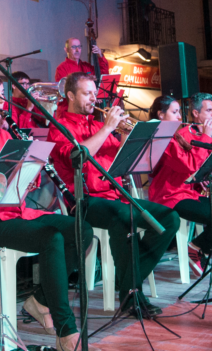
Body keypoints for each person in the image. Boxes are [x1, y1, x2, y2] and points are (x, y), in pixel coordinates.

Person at [0, 71, 92, 351]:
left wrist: (31, 168)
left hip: (13, 216)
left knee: (81, 230)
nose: (3, 100)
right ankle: (65, 330)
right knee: (51, 238)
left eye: (3, 94)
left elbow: (18, 188)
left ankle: (40, 300)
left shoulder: (2, 134)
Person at [47, 72, 179, 319]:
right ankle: (132, 295)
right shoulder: (59, 127)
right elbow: (79, 158)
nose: (93, 98)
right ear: (71, 95)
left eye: (94, 93)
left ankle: (128, 284)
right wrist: (108, 128)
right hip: (83, 201)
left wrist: (127, 134)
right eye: (87, 93)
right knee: (122, 219)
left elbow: (125, 159)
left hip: (115, 196)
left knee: (169, 219)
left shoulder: (98, 125)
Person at [147, 93, 212, 269]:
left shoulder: (176, 137)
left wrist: (201, 179)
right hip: (169, 197)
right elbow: (191, 165)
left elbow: (193, 170)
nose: (180, 117)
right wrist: (206, 137)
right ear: (161, 115)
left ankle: (197, 247)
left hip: (187, 193)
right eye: (175, 112)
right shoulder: (162, 139)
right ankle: (198, 249)